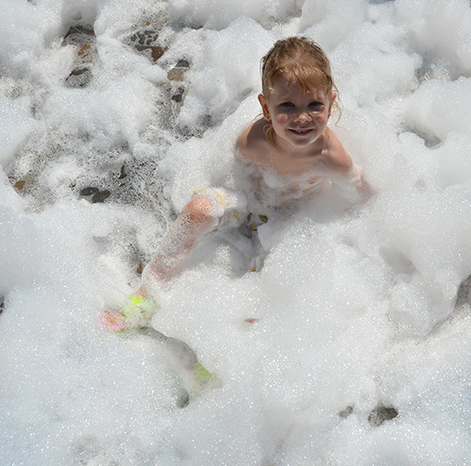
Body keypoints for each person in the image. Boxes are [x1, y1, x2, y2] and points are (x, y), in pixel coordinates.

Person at [100, 36, 370, 332]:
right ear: (265, 107)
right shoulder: (253, 142)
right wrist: (222, 196)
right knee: (199, 210)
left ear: (331, 104)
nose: (302, 117)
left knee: (267, 288)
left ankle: (234, 339)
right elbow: (235, 176)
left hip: (289, 222)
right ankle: (149, 292)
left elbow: (359, 196)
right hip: (250, 201)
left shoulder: (330, 158)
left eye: (314, 104)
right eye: (288, 106)